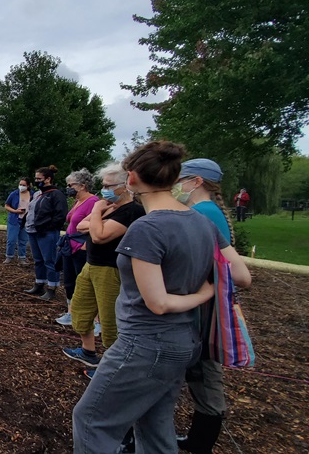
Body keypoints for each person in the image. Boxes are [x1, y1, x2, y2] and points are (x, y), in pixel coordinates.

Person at [72, 141, 251, 453]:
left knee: (90, 420)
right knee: (154, 424)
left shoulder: (146, 228)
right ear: (174, 177)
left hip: (144, 344)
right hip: (184, 343)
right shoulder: (203, 221)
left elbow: (158, 303)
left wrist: (202, 294)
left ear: (131, 178)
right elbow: (241, 275)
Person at [173, 158, 236, 453]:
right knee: (200, 372)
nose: (176, 185)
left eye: (180, 179)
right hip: (201, 305)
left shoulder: (200, 213)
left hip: (198, 310)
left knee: (203, 373)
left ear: (196, 181)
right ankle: (198, 440)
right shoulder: (209, 211)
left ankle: (200, 443)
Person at [60, 162, 145, 376]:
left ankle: (112, 368)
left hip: (111, 269)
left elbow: (99, 236)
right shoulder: (110, 207)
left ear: (125, 185)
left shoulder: (132, 211)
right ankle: (88, 352)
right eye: (104, 184)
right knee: (80, 310)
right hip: (92, 265)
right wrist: (99, 217)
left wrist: (97, 212)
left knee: (109, 320)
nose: (104, 190)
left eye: (109, 185)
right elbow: (81, 226)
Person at [55, 169, 99, 323]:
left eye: (70, 185)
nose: (68, 188)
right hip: (69, 246)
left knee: (85, 283)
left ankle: (95, 320)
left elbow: (95, 224)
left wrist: (85, 245)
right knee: (69, 281)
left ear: (82, 185)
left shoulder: (93, 202)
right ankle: (71, 312)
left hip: (81, 247)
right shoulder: (77, 201)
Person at [24, 165, 68, 301]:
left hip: (46, 232)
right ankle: (39, 283)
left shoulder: (56, 194)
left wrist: (48, 227)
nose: (36, 181)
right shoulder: (38, 194)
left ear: (48, 179)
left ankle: (52, 288)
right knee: (38, 260)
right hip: (33, 231)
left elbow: (60, 215)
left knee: (50, 260)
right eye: (35, 178)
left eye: (39, 178)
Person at [3, 178, 31, 264]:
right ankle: (9, 256)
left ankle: (22, 257)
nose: (21, 187)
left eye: (24, 185)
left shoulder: (33, 195)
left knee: (23, 240)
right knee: (11, 239)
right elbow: (6, 205)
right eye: (20, 184)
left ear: (28, 186)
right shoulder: (14, 194)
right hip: (14, 219)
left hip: (26, 220)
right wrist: (15, 211)